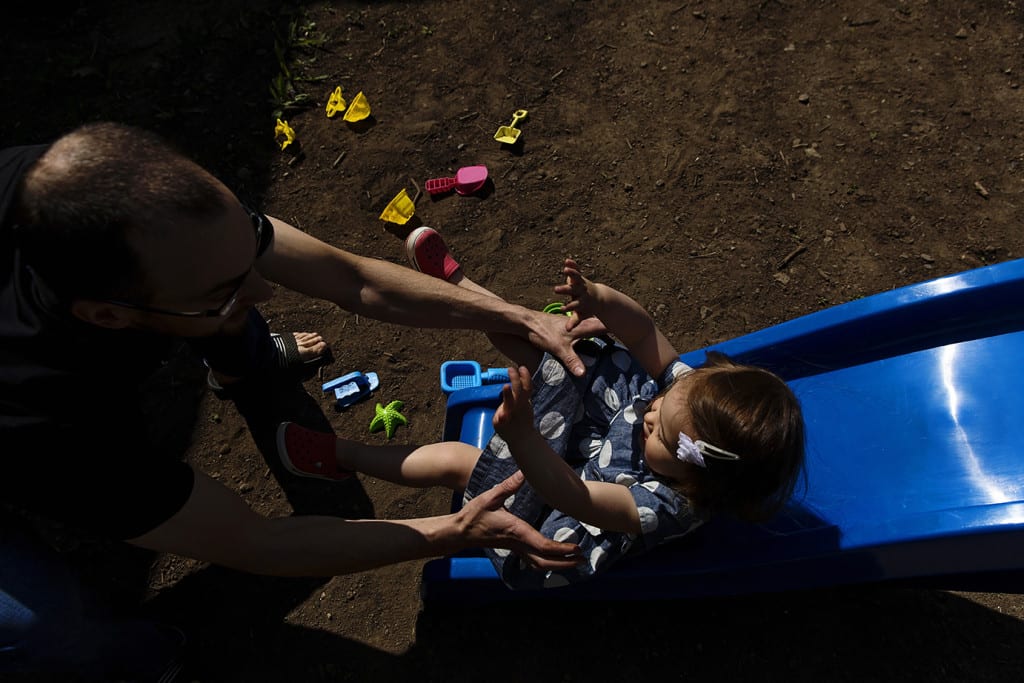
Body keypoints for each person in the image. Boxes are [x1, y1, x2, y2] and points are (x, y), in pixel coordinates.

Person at [0, 122, 594, 680]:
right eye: (228, 289)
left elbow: (352, 279)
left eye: (249, 250)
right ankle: (139, 661)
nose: (263, 292)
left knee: (227, 311)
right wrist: (456, 531)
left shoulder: (89, 197)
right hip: (37, 447)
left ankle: (239, 359)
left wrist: (511, 314)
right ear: (109, 316)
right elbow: (255, 542)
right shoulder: (51, 425)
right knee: (47, 630)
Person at [279, 227, 806, 590]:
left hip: (563, 509)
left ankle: (341, 455)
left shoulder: (669, 506)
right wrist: (601, 299)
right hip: (599, 450)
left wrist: (526, 440)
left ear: (698, 480)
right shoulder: (686, 405)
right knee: (565, 351)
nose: (653, 412)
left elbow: (571, 493)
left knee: (463, 463)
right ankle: (462, 293)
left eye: (662, 435)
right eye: (664, 402)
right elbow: (644, 332)